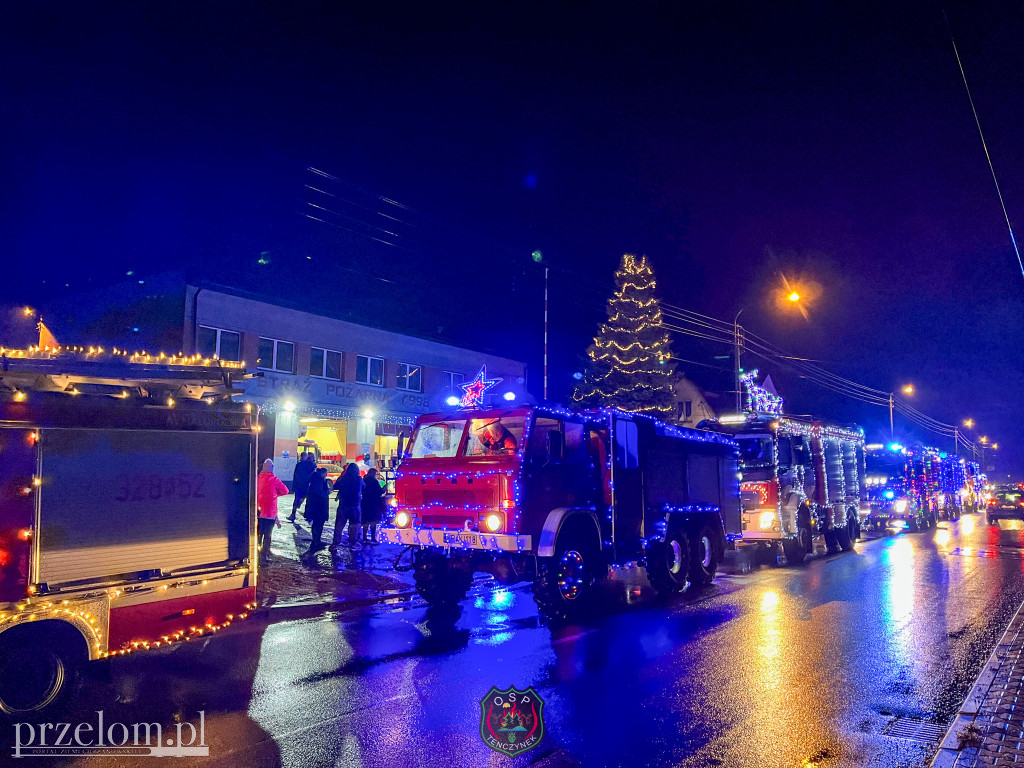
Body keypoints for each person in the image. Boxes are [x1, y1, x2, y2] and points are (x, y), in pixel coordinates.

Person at [256, 458, 288, 564]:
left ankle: (256, 553)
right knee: (268, 535)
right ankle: (264, 555)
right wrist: (275, 494)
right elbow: (286, 490)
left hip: (259, 511)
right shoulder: (274, 479)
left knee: (258, 533)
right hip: (270, 512)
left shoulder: (257, 478)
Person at [331, 463, 363, 550]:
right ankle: (352, 542)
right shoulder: (359, 479)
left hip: (343, 505)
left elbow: (335, 486)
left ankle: (335, 543)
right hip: (355, 505)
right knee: (354, 525)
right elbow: (364, 487)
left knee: (339, 526)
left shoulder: (343, 479)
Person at [304, 466, 331, 552]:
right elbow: (320, 493)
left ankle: (316, 541)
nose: (326, 475)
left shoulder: (316, 480)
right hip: (318, 506)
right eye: (325, 474)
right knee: (318, 524)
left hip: (316, 506)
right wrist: (327, 492)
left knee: (317, 524)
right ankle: (316, 542)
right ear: (322, 473)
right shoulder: (318, 481)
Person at [289, 452, 316, 522]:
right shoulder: (311, 465)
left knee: (299, 499)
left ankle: (293, 514)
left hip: (301, 486)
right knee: (304, 499)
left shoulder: (301, 465)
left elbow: (296, 476)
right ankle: (306, 515)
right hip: (306, 486)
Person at [361, 467, 385, 543]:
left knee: (365, 521)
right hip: (373, 504)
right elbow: (379, 492)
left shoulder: (364, 480)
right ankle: (373, 538)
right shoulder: (374, 481)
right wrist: (384, 488)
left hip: (365, 503)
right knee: (373, 522)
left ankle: (364, 537)